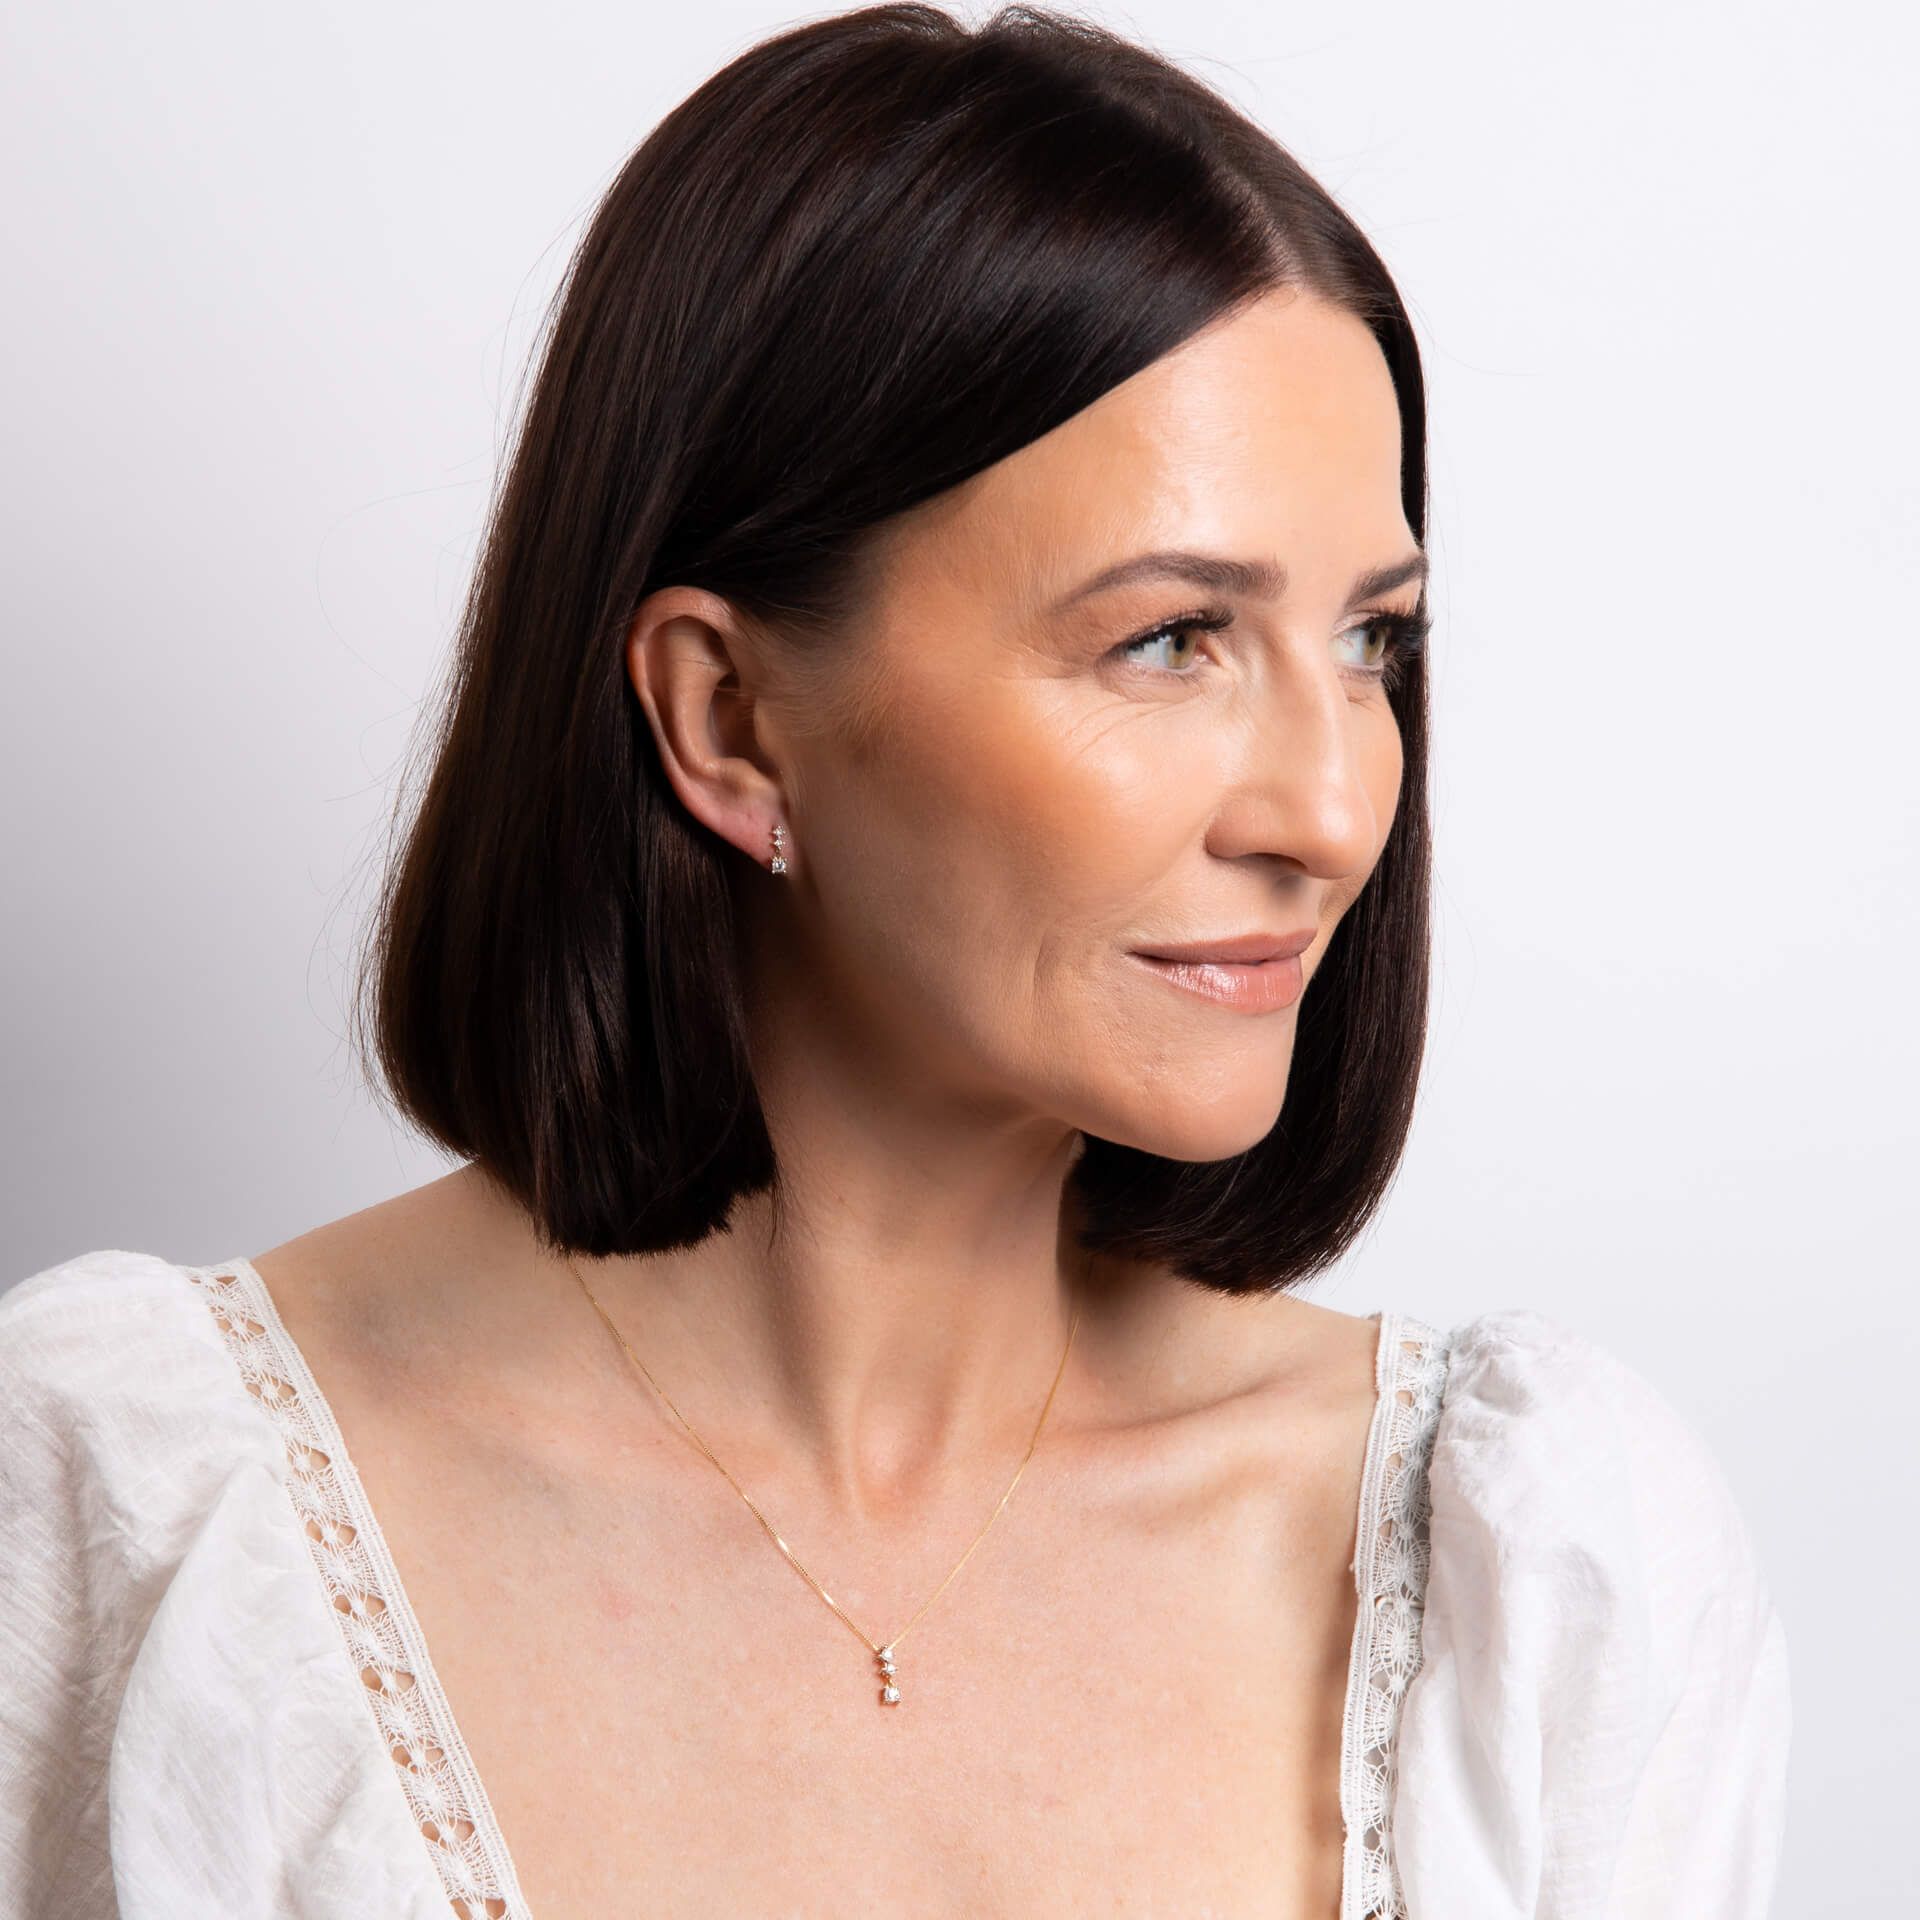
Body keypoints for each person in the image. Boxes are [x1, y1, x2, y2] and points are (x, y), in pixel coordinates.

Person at [0, 5, 1789, 1916]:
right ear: (729, 718)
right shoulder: (131, 1513)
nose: (1335, 809)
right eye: (1172, 640)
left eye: (1373, 645)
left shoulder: (1537, 1579)